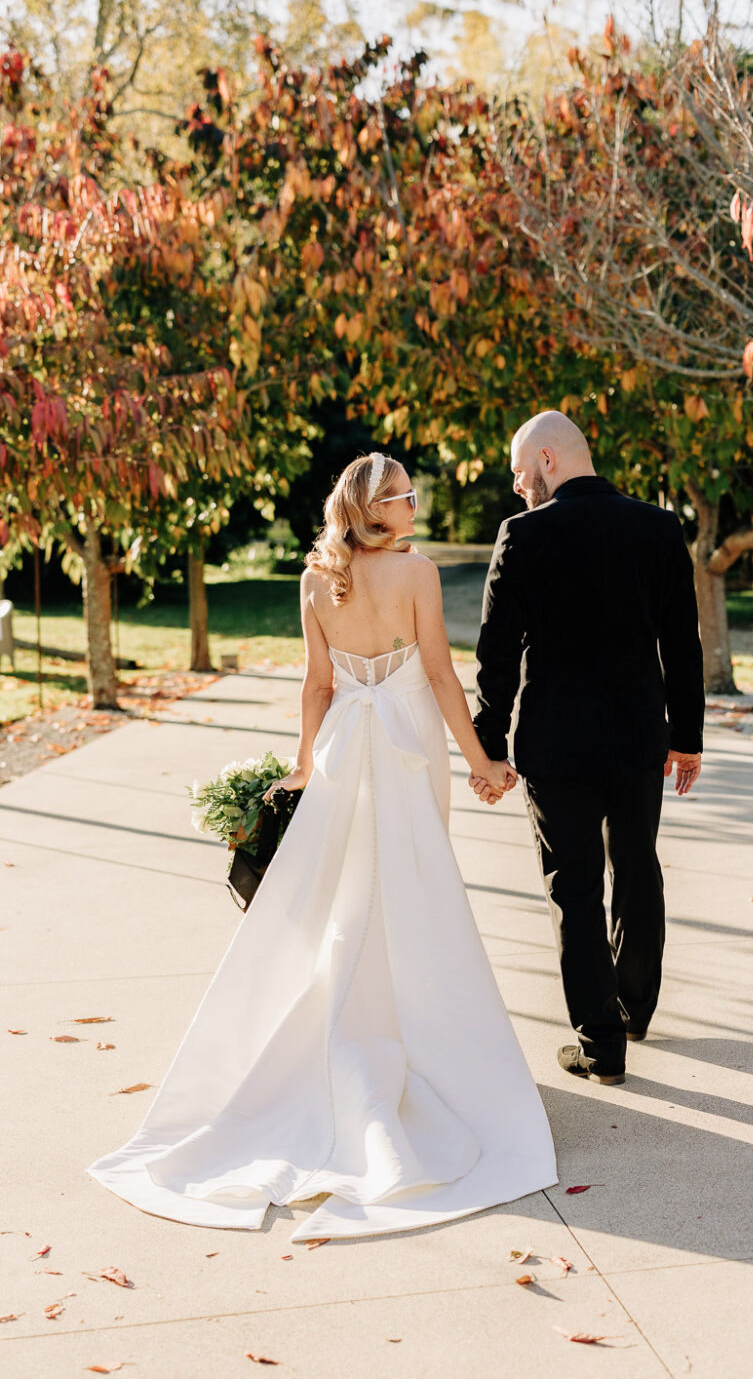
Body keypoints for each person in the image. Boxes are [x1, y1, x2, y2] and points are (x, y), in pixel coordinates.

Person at [86, 452, 557, 1240]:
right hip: (406, 749)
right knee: (411, 891)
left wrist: (307, 763)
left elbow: (318, 685)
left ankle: (351, 1032)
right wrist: (481, 762)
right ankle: (405, 1037)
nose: (417, 503)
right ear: (380, 510)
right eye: (408, 496)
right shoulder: (417, 575)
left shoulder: (318, 579)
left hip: (345, 748)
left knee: (347, 896)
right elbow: (441, 676)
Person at [470, 410, 704, 1086]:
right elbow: (682, 644)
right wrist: (685, 737)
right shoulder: (658, 528)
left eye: (519, 474)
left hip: (556, 743)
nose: (518, 489)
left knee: (573, 888)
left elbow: (496, 653)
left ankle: (600, 1043)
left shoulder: (524, 534)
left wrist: (490, 743)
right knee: (637, 867)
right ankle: (632, 1009)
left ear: (548, 458)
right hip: (638, 738)